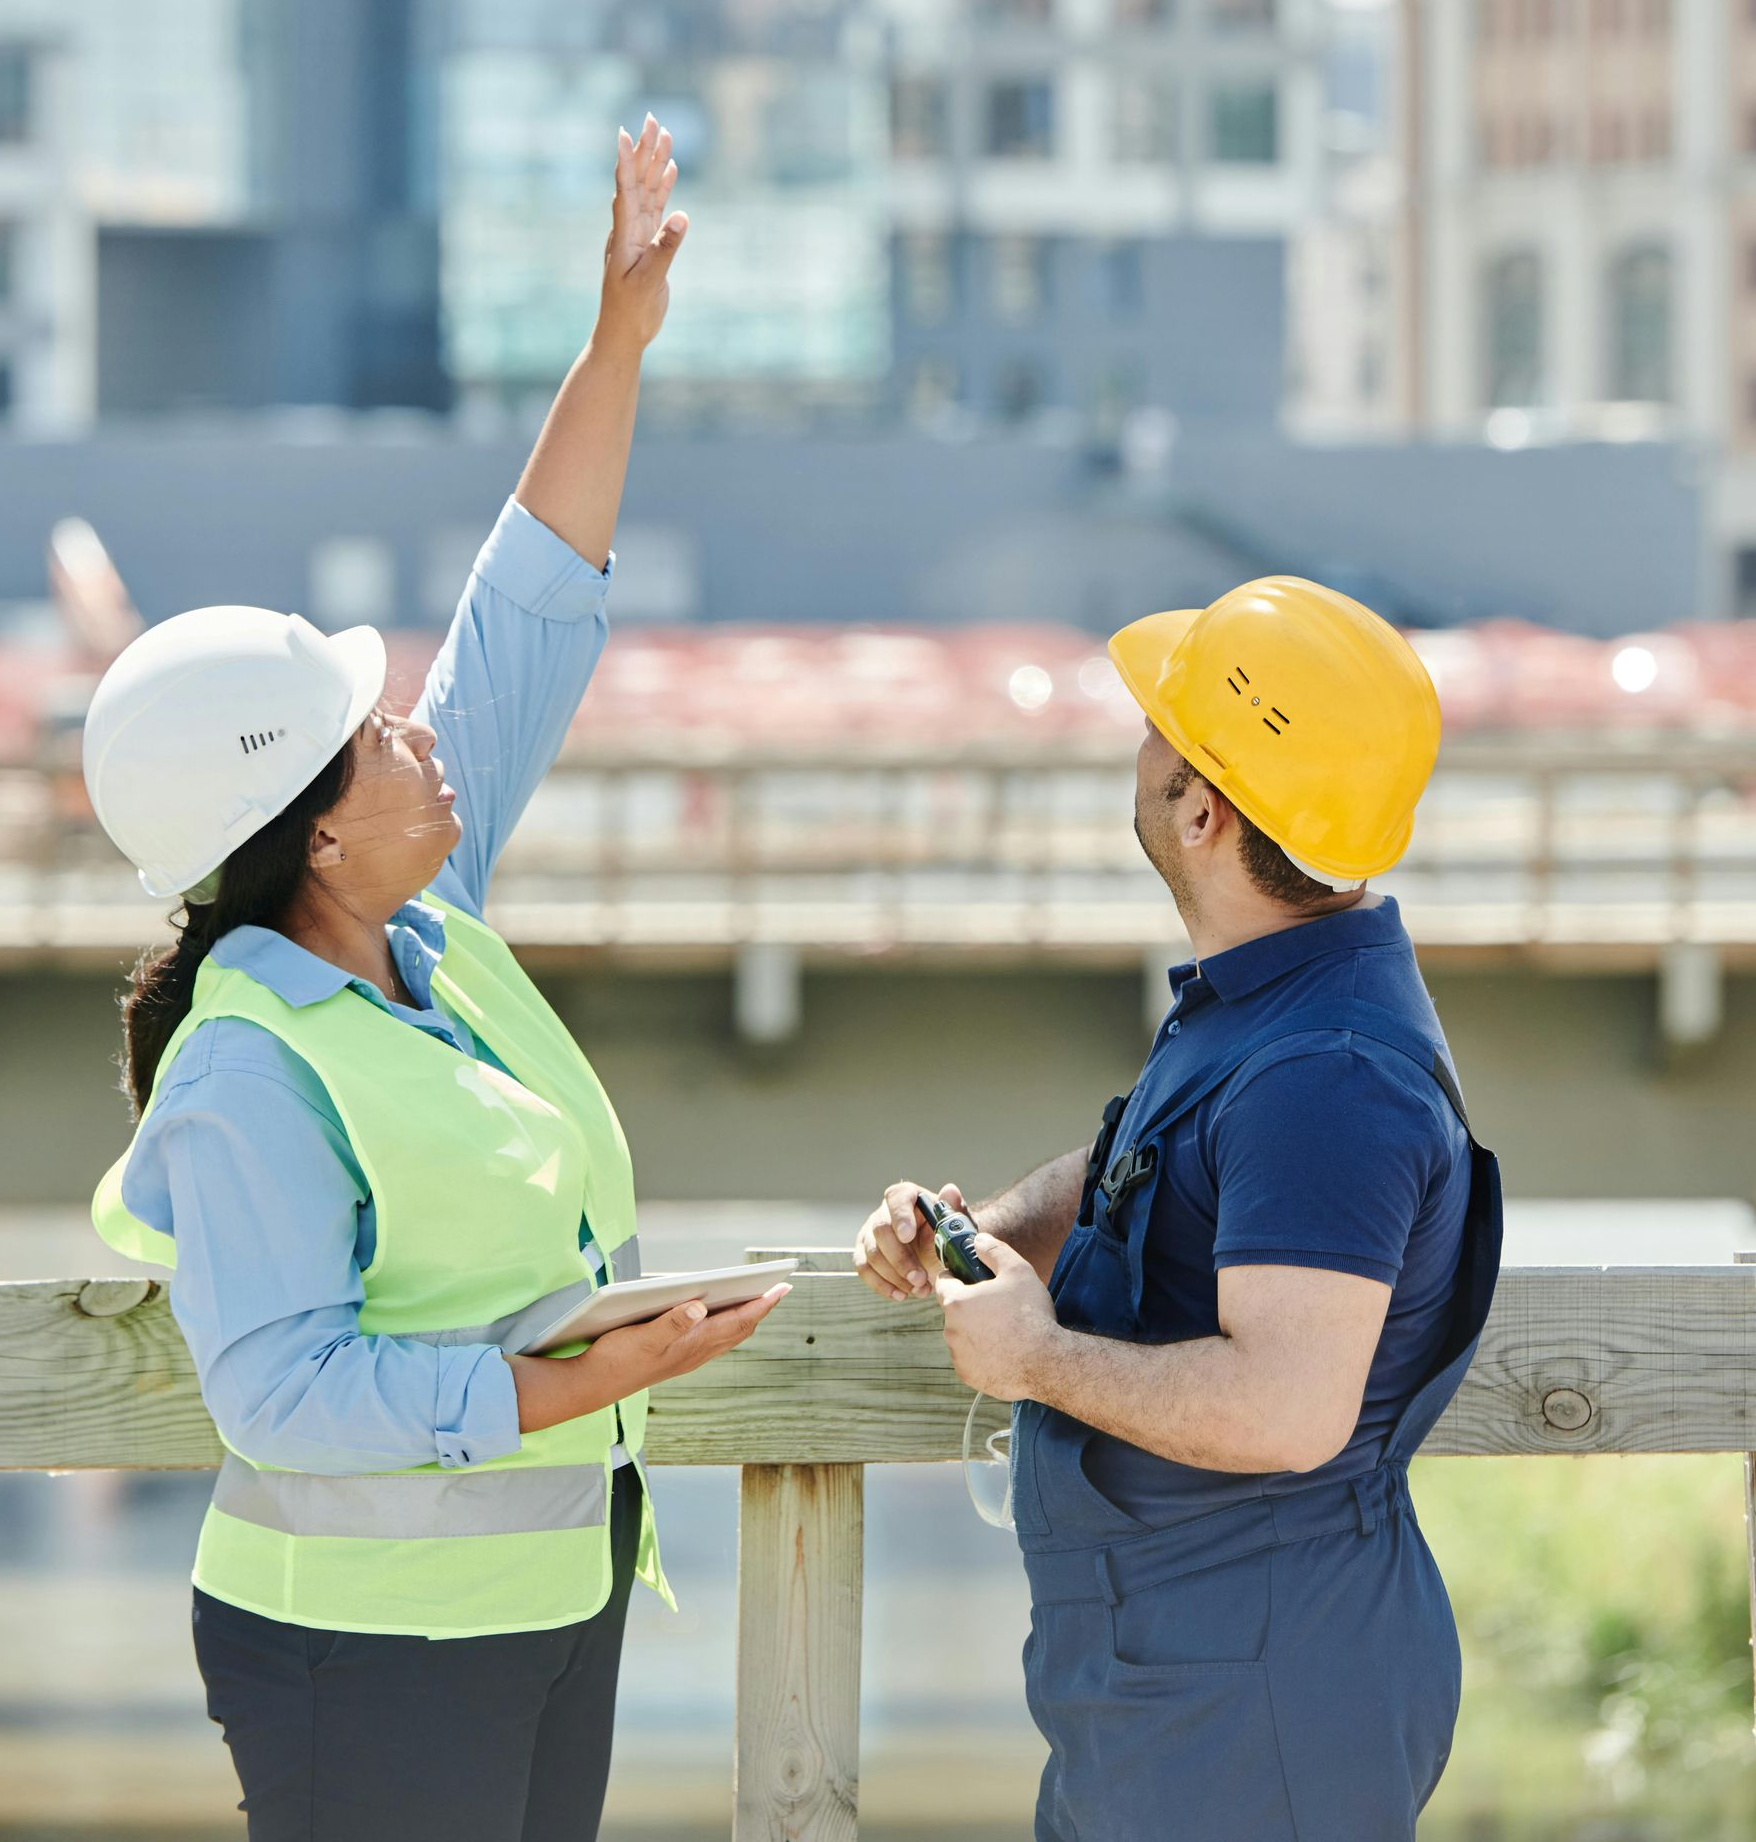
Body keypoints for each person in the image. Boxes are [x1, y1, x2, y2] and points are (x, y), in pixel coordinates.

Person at [82, 119, 788, 1842]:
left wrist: (614, 345)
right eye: (379, 734)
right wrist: (581, 1386)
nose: (423, 732)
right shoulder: (251, 1067)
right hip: (361, 1654)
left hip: (547, 1601)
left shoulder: (429, 925)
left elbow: (525, 615)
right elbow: (281, 1392)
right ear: (314, 831)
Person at [854, 578, 1502, 1842]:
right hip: (1188, 1681)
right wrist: (965, 1229)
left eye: (1166, 729)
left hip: (1255, 1700)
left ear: (1201, 807)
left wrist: (1035, 1359)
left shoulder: (1327, 1075)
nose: (1141, 745)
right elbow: (1135, 1174)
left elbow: (1288, 1405)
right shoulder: (1270, 1007)